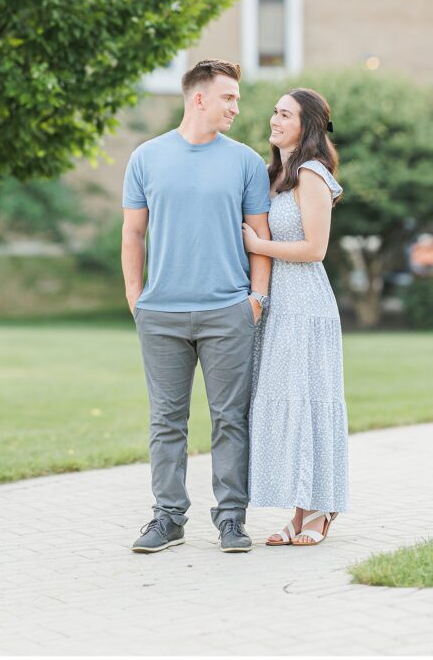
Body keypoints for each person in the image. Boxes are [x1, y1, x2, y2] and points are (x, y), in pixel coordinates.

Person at [122, 59, 272, 554]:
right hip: (160, 314)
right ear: (199, 98)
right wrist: (135, 297)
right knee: (166, 421)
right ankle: (168, 518)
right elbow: (134, 232)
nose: (236, 107)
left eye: (237, 98)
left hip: (228, 311)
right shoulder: (146, 157)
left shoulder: (247, 162)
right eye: (228, 97)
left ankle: (231, 518)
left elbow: (260, 239)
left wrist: (256, 300)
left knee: (230, 418)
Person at [242, 87, 349, 546]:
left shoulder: (311, 175)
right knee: (285, 403)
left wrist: (257, 245)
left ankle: (321, 508)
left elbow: (314, 249)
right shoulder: (274, 176)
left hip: (305, 304)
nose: (274, 119)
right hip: (276, 305)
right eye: (274, 112)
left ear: (306, 126)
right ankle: (299, 508)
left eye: (284, 114)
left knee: (308, 400)